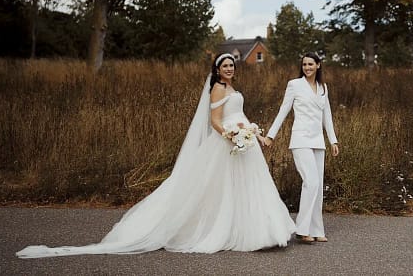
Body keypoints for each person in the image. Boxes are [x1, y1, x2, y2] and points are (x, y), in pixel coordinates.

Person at [16, 54, 295, 258]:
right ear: (217, 70)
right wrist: (231, 136)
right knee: (217, 190)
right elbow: (215, 121)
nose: (229, 70)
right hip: (227, 144)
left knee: (247, 189)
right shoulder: (218, 89)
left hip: (244, 143)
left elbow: (240, 115)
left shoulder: (233, 89)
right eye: (225, 66)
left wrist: (254, 134)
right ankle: (226, 230)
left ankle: (259, 231)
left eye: (232, 66)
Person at [264, 52, 339, 244]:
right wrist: (271, 135)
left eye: (310, 64)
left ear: (318, 65)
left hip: (318, 142)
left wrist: (333, 141)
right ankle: (302, 229)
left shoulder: (323, 88)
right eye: (304, 64)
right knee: (311, 182)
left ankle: (316, 229)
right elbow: (283, 110)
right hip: (300, 139)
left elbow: (327, 115)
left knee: (318, 186)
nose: (307, 67)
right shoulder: (294, 85)